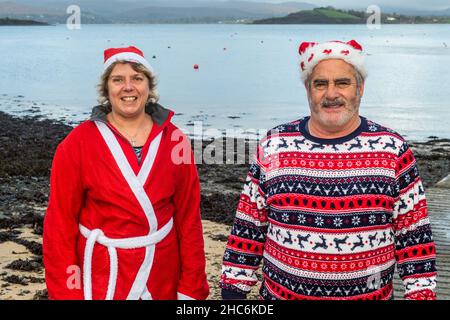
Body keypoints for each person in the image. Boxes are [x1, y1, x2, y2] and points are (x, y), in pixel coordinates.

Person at [219, 40, 437, 300]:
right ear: (308, 90)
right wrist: (233, 291)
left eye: (342, 83)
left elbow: (414, 235)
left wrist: (421, 293)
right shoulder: (274, 145)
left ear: (360, 88)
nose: (331, 94)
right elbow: (249, 224)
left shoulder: (392, 149)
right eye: (320, 84)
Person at [43, 46, 209, 300]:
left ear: (148, 87)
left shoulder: (175, 140)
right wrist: (67, 292)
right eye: (118, 79)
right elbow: (59, 225)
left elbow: (189, 220)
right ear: (106, 89)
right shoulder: (77, 143)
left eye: (137, 78)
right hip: (102, 276)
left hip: (161, 274)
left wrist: (191, 287)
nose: (128, 87)